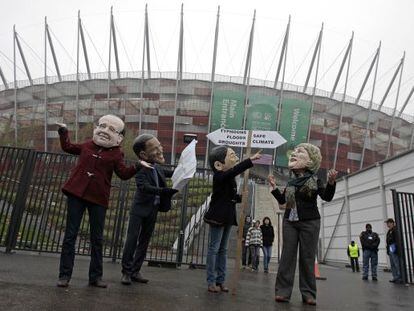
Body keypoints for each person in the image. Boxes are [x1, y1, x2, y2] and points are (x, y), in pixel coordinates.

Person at [56, 115, 149, 288]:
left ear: (119, 138)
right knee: (70, 236)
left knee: (96, 239)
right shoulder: (86, 145)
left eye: (112, 130)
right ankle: (64, 275)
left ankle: (95, 277)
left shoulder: (116, 154)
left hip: (98, 198)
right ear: (96, 128)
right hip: (76, 194)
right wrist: (63, 132)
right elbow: (67, 147)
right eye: (102, 126)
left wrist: (138, 165)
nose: (105, 131)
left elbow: (123, 174)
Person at [268, 143, 337, 306]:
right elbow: (284, 202)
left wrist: (331, 183)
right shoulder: (291, 183)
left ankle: (309, 294)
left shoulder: (315, 180)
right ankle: (283, 292)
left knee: (307, 258)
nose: (294, 153)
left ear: (310, 161)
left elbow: (326, 197)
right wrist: (274, 189)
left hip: (310, 222)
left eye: (300, 152)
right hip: (290, 222)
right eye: (295, 151)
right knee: (287, 257)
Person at [121, 134, 178, 285]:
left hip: (152, 209)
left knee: (144, 241)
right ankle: (126, 272)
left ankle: (135, 271)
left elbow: (172, 174)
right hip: (139, 210)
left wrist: (185, 170)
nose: (160, 149)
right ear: (143, 154)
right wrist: (163, 191)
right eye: (155, 148)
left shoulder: (157, 166)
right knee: (132, 240)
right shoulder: (141, 167)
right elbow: (144, 187)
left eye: (159, 145)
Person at [203, 146, 261, 293]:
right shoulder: (220, 176)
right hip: (217, 216)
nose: (235, 158)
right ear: (218, 164)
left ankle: (220, 280)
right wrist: (249, 160)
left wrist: (241, 197)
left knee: (223, 249)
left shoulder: (229, 178)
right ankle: (211, 281)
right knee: (214, 249)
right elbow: (233, 172)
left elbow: (229, 197)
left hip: (228, 216)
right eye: (232, 155)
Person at [385, 218, 403, 284]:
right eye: (387, 223)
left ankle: (399, 277)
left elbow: (397, 240)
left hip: (393, 246)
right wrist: (388, 250)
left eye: (388, 223)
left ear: (392, 223)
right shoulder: (389, 231)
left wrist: (396, 249)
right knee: (392, 263)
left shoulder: (395, 230)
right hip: (390, 247)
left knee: (396, 263)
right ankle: (395, 277)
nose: (387, 224)